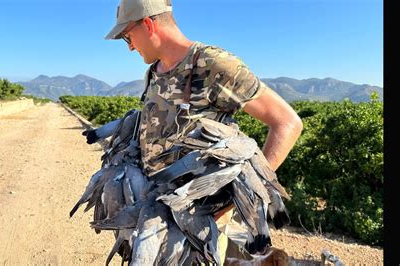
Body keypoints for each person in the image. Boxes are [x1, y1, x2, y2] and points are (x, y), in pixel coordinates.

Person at [104, 0, 303, 263]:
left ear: (149, 24)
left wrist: (234, 198)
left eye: (128, 36)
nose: (129, 46)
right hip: (154, 213)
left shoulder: (212, 64)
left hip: (199, 224)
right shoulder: (153, 72)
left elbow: (287, 123)